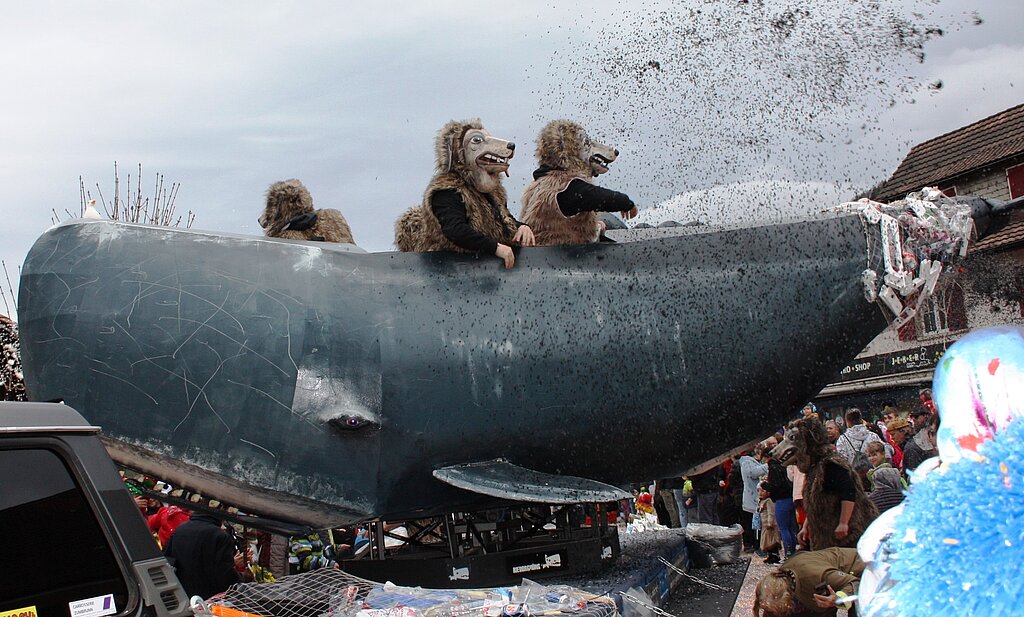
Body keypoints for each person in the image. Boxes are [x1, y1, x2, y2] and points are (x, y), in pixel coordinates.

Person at [394, 119, 535, 268]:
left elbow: (504, 219)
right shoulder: (447, 191)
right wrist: (495, 248)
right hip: (452, 271)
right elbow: (455, 230)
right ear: (459, 153)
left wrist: (521, 227)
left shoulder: (492, 193)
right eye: (477, 141)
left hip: (486, 270)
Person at [518, 120, 637, 246]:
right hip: (560, 258)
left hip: (537, 256)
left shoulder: (537, 185)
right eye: (586, 144)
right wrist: (625, 203)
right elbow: (595, 196)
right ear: (571, 150)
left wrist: (593, 227)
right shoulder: (565, 187)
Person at [753, 547, 864, 616]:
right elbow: (772, 609)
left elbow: (856, 583)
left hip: (863, 570)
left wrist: (838, 599)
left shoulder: (816, 575)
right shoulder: (778, 579)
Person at [163, 510, 243, 599]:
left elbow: (167, 559)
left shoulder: (180, 529)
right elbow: (223, 572)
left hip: (181, 593)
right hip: (207, 597)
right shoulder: (219, 535)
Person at [739, 446, 770, 552]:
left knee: (755, 523)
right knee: (750, 524)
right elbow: (753, 473)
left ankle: (756, 544)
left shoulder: (751, 462)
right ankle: (750, 544)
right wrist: (768, 465)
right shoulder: (746, 462)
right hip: (751, 498)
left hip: (754, 498)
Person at [758, 481, 782, 564]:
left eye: (762, 491)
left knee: (772, 541)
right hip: (764, 525)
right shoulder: (761, 501)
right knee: (766, 541)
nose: (760, 493)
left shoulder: (769, 501)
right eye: (759, 491)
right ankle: (770, 555)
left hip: (770, 525)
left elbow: (771, 513)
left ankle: (775, 556)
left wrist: (770, 522)